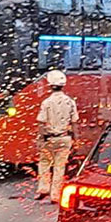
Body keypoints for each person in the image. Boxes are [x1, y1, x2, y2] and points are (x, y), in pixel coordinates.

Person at [36, 70, 79, 202]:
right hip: (65, 138)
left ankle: (44, 187)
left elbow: (41, 123)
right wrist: (76, 141)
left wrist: (40, 138)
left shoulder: (47, 102)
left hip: (49, 138)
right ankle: (55, 195)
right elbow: (74, 123)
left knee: (44, 163)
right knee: (60, 167)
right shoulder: (70, 102)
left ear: (49, 85)